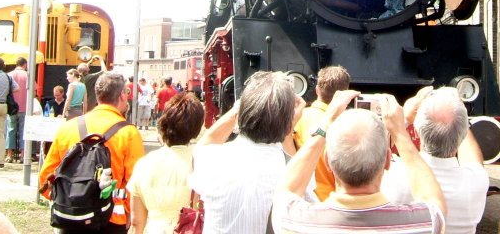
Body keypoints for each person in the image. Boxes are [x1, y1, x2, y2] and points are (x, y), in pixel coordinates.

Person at [273, 90, 446, 234]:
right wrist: (400, 132)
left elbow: (288, 188)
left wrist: (325, 124)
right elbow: (433, 200)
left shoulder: (294, 221)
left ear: (328, 161)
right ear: (387, 161)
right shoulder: (422, 224)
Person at [189, 70, 306, 233]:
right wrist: (289, 130)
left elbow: (206, 143)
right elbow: (301, 172)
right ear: (288, 126)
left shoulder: (212, 159)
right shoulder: (293, 172)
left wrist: (238, 109)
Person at [40, 71, 145, 233]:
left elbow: (45, 178)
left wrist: (65, 200)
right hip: (112, 219)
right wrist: (128, 212)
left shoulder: (68, 128)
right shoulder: (129, 133)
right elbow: (136, 183)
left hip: (72, 217)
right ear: (122, 96)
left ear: (96, 95)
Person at [382, 86, 488, 234]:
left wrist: (404, 118)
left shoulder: (393, 175)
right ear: (462, 133)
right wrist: (457, 110)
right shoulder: (476, 181)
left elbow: (380, 154)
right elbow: (472, 156)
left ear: (417, 131)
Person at [128, 93, 205, 234]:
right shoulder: (202, 163)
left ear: (164, 123)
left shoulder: (144, 164)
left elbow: (136, 222)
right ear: (197, 129)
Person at [293, 65, 351, 201]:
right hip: (335, 201)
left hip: (306, 197)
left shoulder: (299, 118)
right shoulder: (348, 124)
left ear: (317, 90)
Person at [5, 57, 28, 163]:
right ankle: (23, 155)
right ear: (25, 64)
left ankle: (9, 155)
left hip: (11, 107)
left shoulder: (9, 75)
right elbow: (34, 91)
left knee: (10, 130)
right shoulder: (28, 75)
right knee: (24, 131)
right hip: (24, 107)